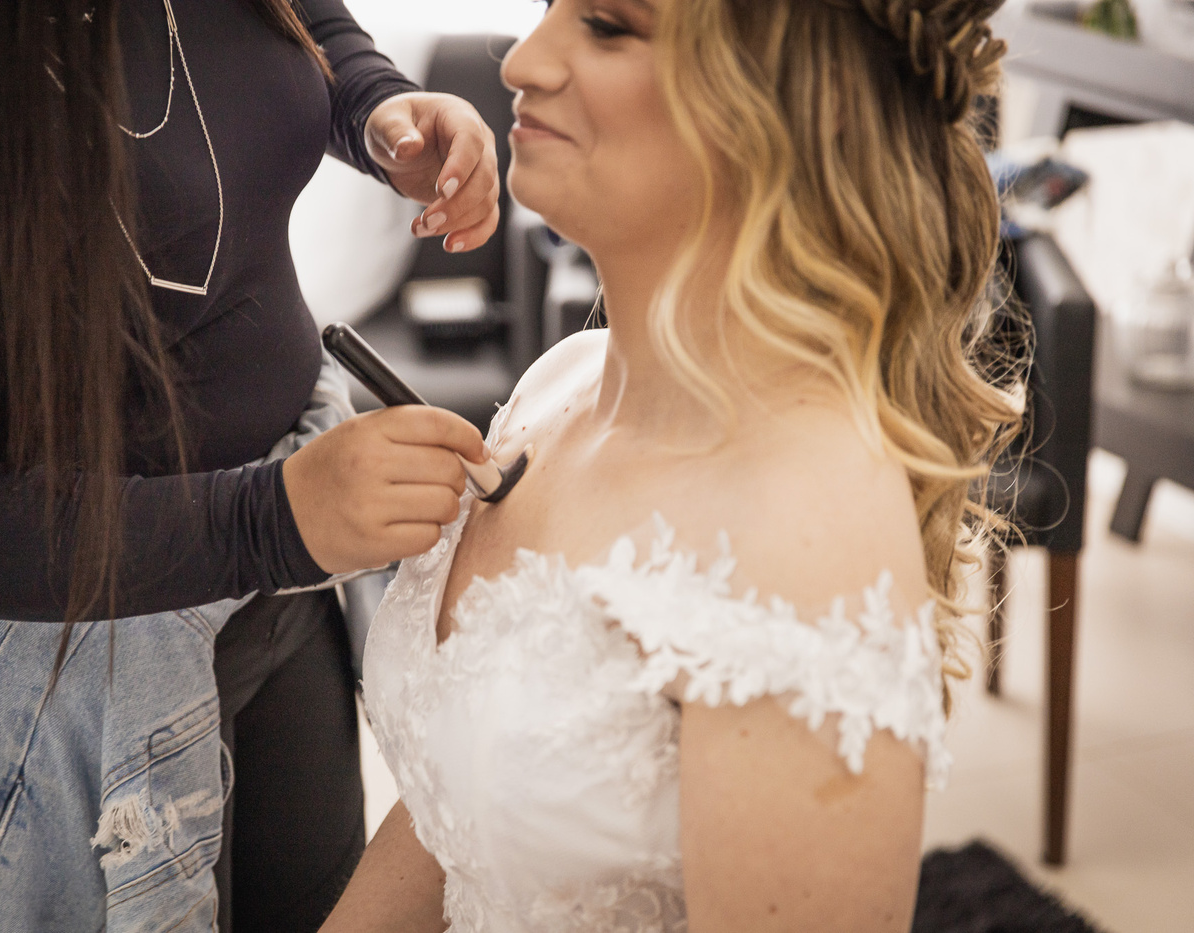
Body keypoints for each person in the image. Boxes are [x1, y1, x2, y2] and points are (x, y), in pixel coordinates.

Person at [0, 1, 501, 930]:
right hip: (46, 651)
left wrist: (372, 103)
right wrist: (274, 520)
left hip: (275, 577)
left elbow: (299, 21)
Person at [320, 0, 1021, 930]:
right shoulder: (557, 385)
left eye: (608, 25)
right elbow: (459, 807)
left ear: (784, 104)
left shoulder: (805, 528)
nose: (521, 63)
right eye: (549, 10)